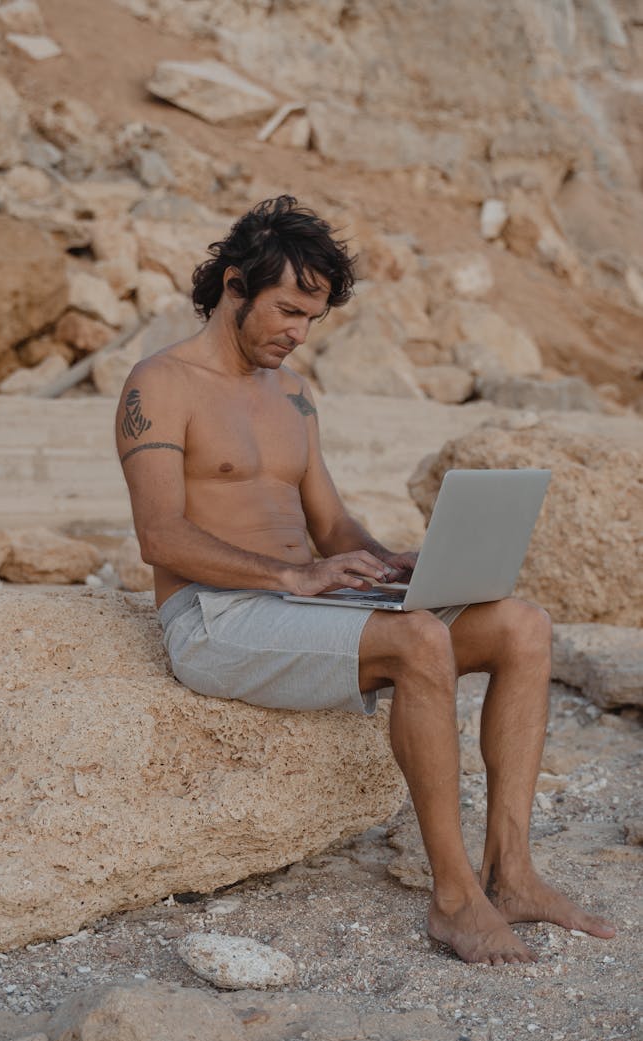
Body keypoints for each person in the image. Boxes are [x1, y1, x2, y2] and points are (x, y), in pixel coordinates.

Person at [116, 195, 614, 965]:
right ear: (234, 285)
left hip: (304, 603)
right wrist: (292, 574)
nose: (298, 332)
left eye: (312, 319)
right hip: (215, 618)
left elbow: (333, 526)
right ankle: (455, 901)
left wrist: (390, 563)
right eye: (288, 310)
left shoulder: (293, 394)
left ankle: (512, 874)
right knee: (418, 642)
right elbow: (160, 536)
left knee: (522, 626)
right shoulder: (159, 384)